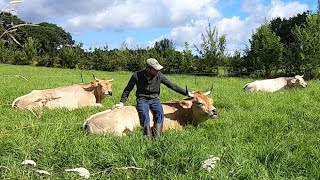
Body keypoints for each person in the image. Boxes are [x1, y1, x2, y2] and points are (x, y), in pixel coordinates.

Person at [113, 58, 188, 138]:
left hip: (154, 99)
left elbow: (172, 85)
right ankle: (148, 137)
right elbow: (128, 89)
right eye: (155, 69)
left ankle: (157, 137)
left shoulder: (159, 75)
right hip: (142, 99)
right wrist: (122, 102)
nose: (157, 71)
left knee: (159, 114)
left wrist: (187, 93)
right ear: (148, 69)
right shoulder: (137, 75)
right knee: (144, 115)